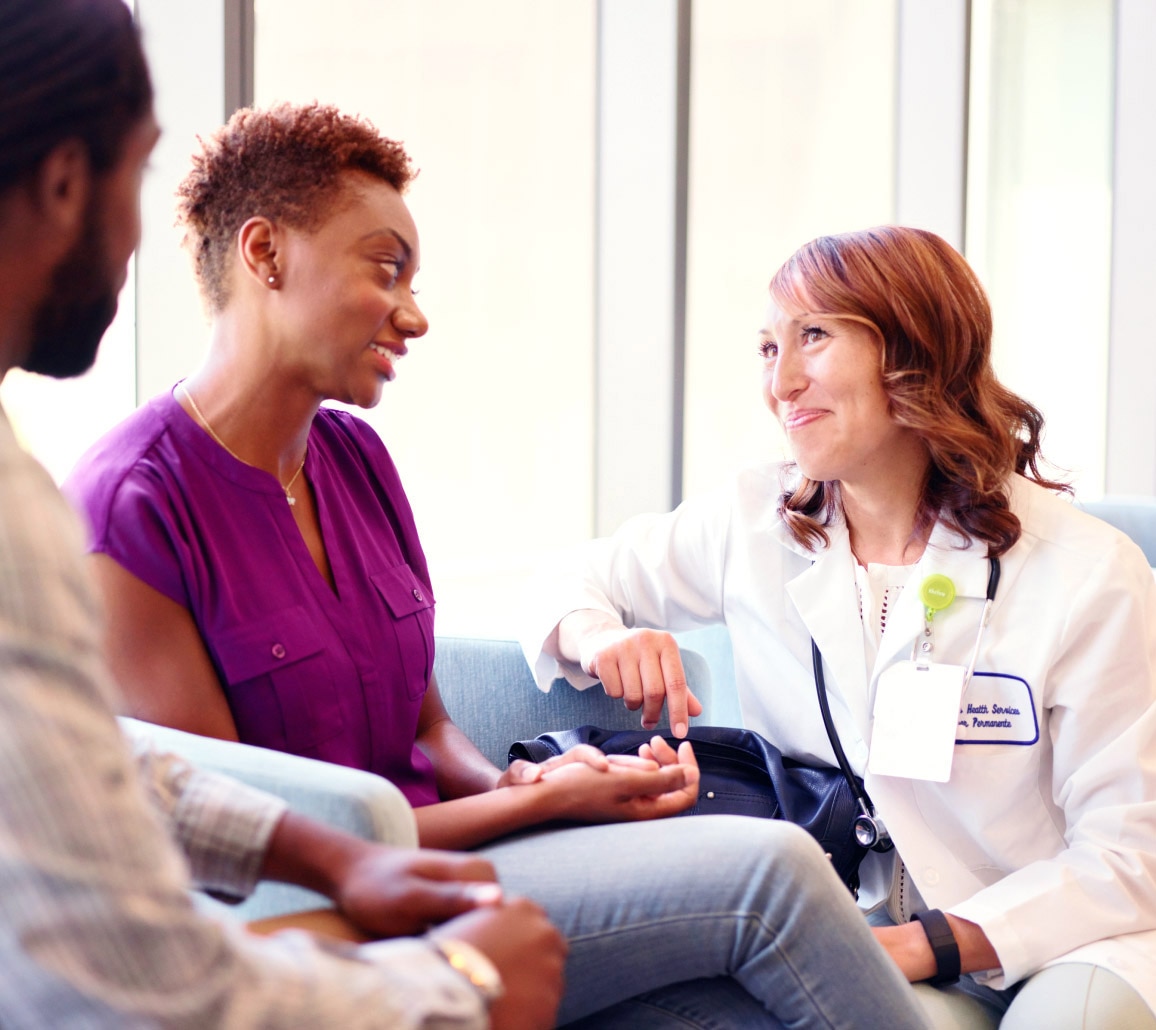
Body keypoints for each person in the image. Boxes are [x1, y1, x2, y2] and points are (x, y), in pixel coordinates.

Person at [63, 101, 932, 1027]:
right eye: (386, 268)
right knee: (775, 873)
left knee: (732, 1008)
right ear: (266, 254)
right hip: (330, 922)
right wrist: (530, 807)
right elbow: (251, 844)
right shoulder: (130, 510)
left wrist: (527, 785)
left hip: (464, 858)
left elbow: (426, 729)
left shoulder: (355, 462)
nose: (415, 314)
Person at [0, 2, 569, 1027]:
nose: (143, 234)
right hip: (299, 933)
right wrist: (460, 992)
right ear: (62, 181)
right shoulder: (81, 512)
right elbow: (134, 979)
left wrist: (345, 853)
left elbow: (98, 762)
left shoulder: (352, 458)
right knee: (764, 884)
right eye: (135, 174)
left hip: (387, 874)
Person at [520, 225, 1156, 1027]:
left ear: (915, 351)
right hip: (852, 927)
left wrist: (934, 943)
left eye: (813, 336)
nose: (781, 382)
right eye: (766, 347)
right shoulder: (757, 521)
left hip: (1061, 936)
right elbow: (563, 581)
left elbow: (1128, 856)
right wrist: (600, 637)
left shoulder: (1085, 571)